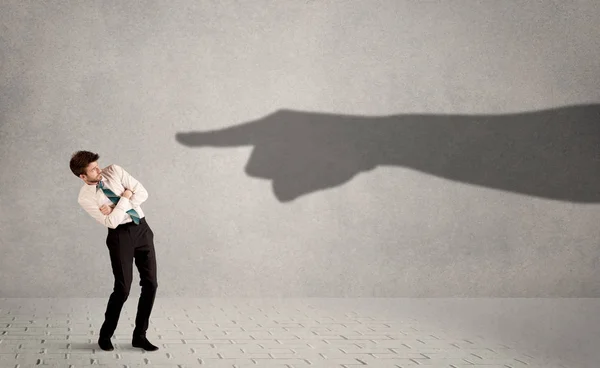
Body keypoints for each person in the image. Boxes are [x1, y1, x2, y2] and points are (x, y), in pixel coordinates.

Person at [69, 150, 159, 352]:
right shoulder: (85, 198)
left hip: (142, 229)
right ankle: (105, 335)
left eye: (97, 164)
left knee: (151, 284)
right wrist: (126, 196)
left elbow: (143, 193)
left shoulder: (115, 171)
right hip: (120, 237)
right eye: (93, 169)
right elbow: (112, 221)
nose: (99, 169)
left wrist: (117, 205)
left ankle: (140, 336)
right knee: (123, 289)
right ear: (83, 176)